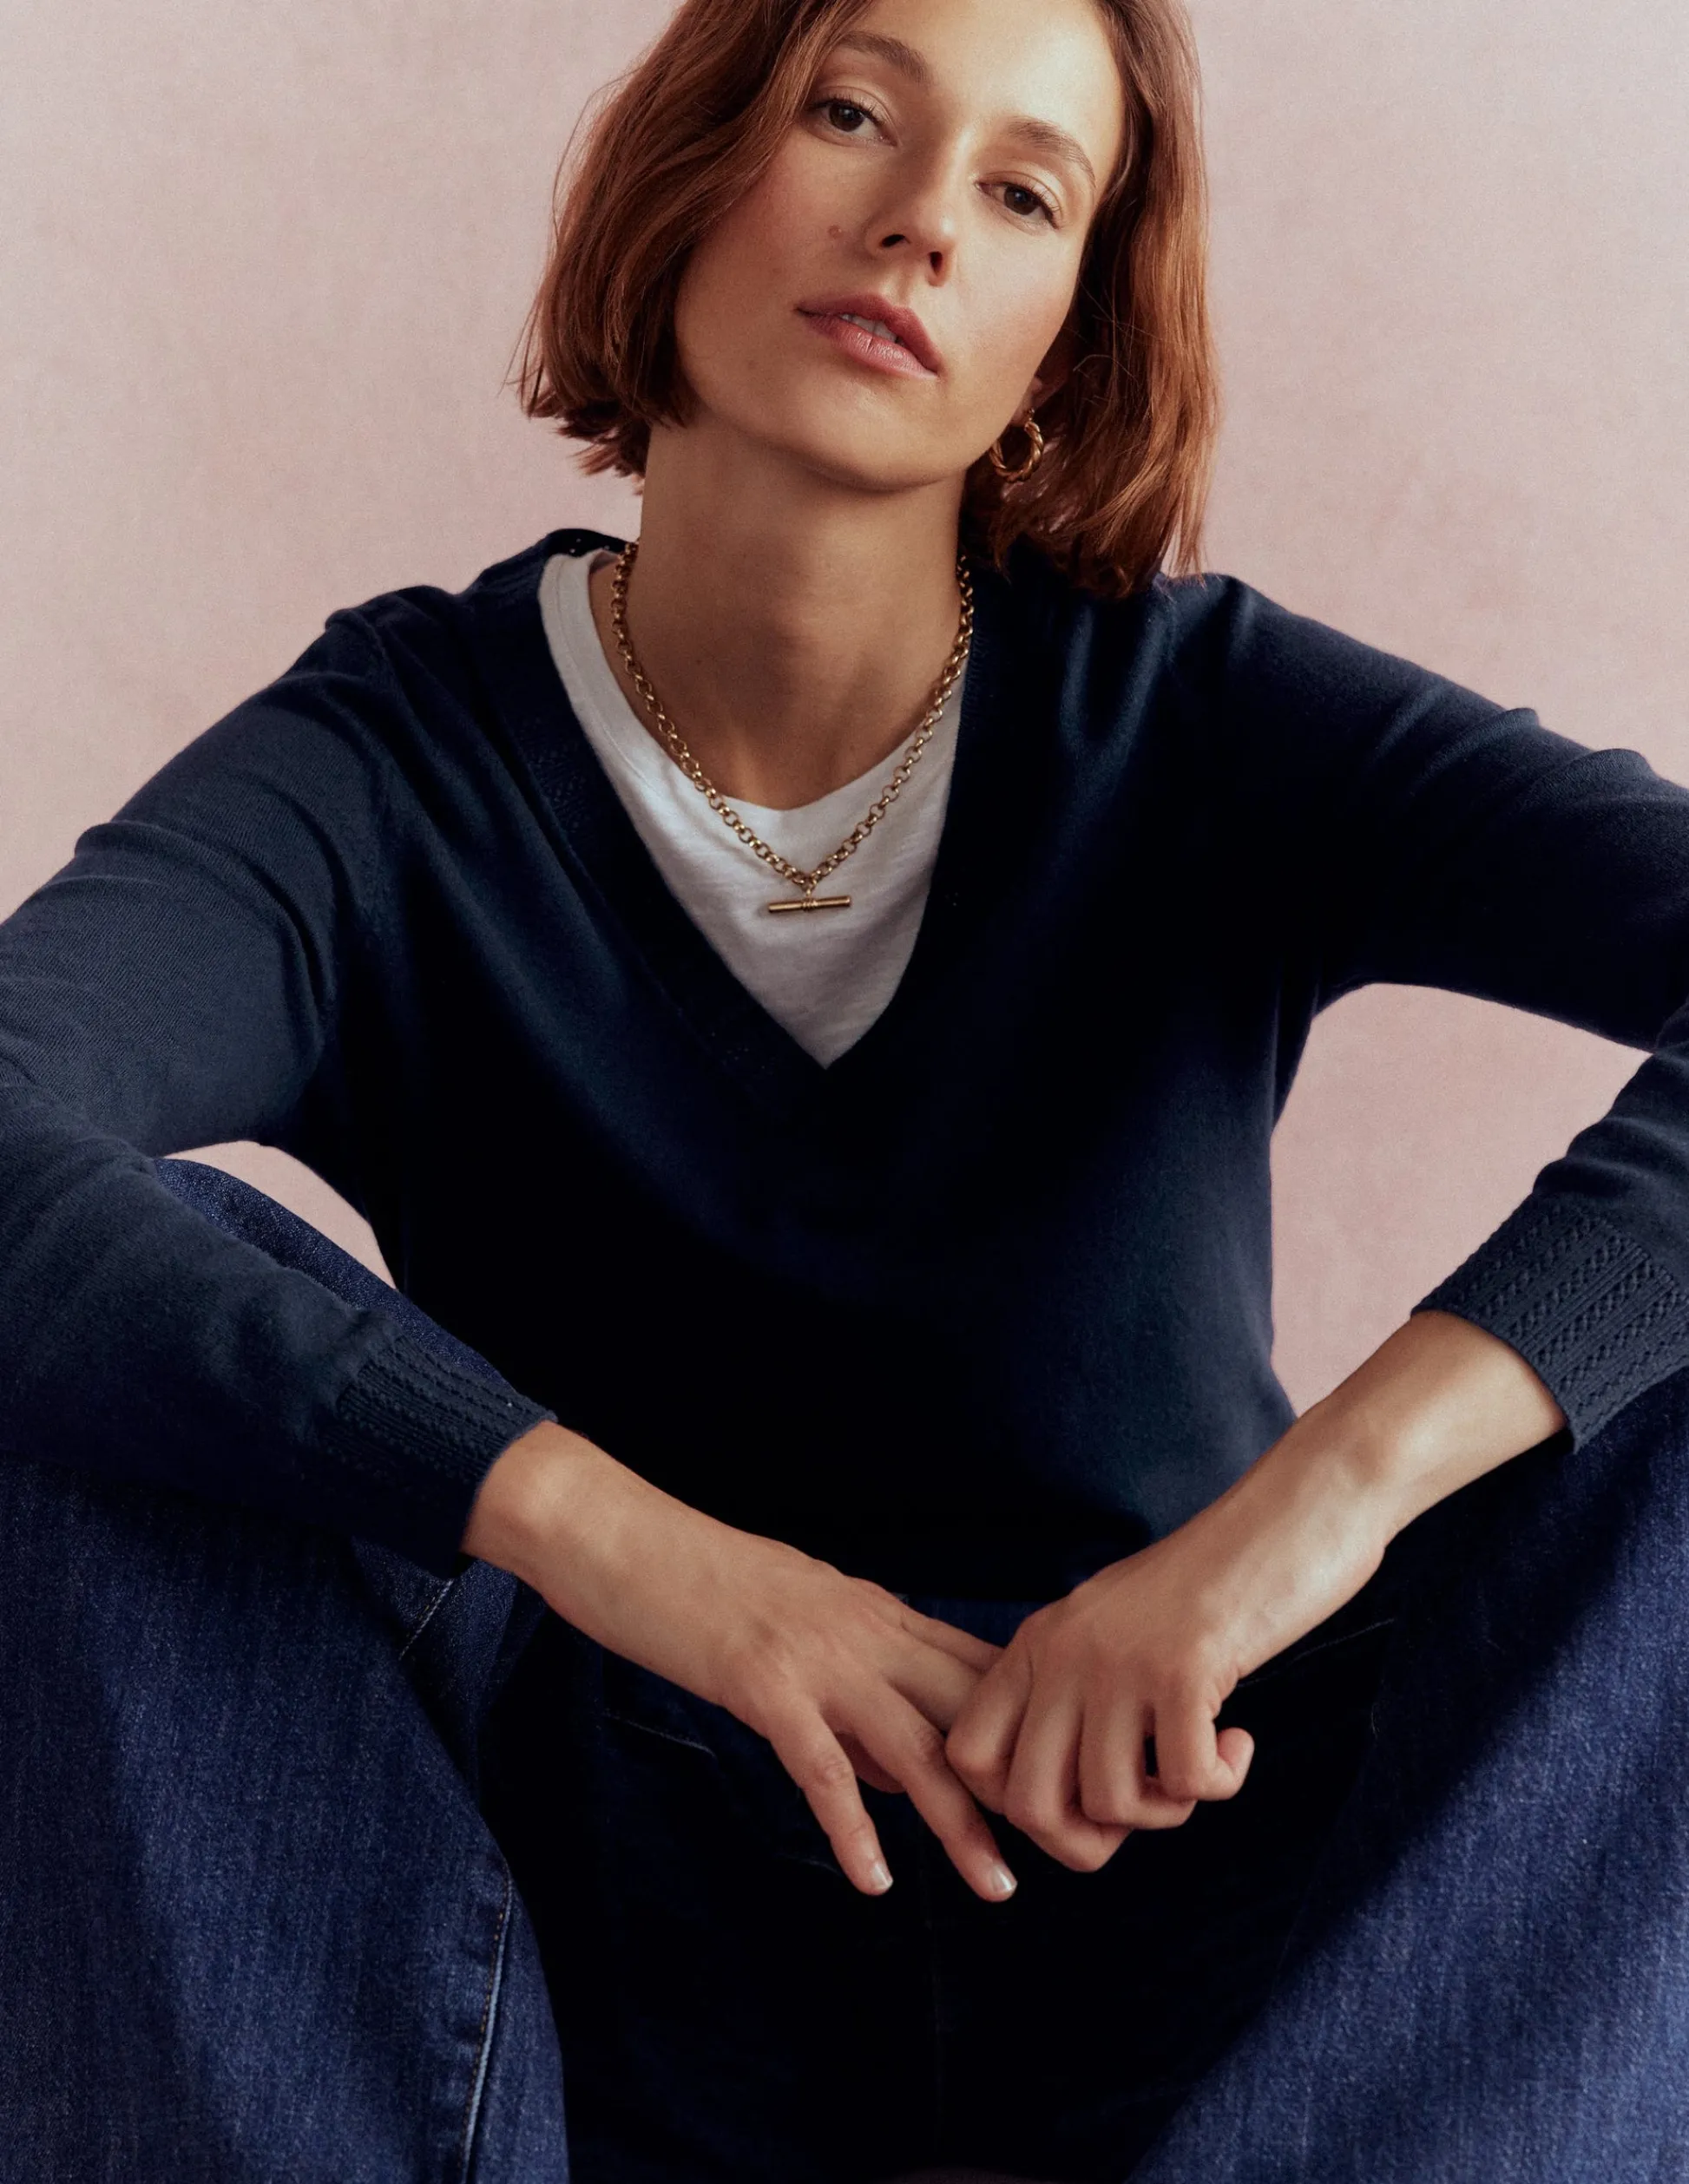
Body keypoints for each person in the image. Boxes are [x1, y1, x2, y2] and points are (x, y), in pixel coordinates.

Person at [4, 0, 1689, 2177]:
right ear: (693, 165)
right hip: (580, 1930)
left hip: (1197, 1879)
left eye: (1023, 193)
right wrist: (630, 1544)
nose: (918, 225)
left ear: (1066, 341)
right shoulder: (391, 767)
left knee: (1650, 1372)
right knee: (107, 1337)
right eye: (851, 109)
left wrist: (1305, 1516)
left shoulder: (1203, 720)